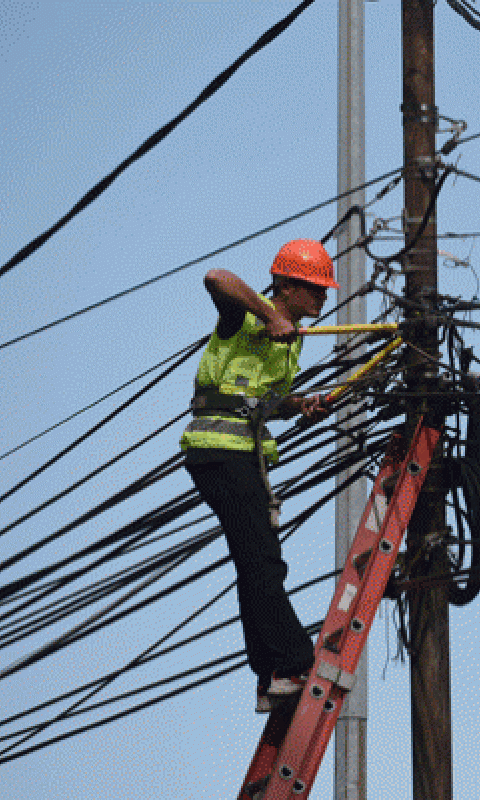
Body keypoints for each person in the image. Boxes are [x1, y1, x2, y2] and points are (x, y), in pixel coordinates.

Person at [180, 239, 337, 713]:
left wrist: (299, 405)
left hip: (241, 453)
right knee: (264, 564)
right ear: (288, 286)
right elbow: (216, 277)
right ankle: (289, 663)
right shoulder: (244, 317)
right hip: (220, 450)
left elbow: (263, 403)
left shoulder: (291, 343)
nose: (323, 300)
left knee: (256, 564)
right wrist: (268, 315)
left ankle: (271, 677)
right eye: (315, 290)